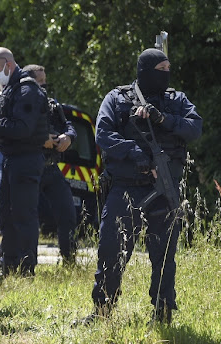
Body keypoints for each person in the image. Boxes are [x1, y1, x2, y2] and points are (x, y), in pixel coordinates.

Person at [79, 48, 202, 325]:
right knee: (111, 249)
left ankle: (162, 314)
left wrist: (163, 119)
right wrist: (137, 156)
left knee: (164, 256)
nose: (166, 74)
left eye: (168, 68)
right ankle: (103, 312)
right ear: (145, 70)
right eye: (161, 69)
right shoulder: (117, 98)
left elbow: (194, 128)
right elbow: (104, 134)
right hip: (126, 187)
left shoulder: (176, 100)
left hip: (164, 190)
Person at [0, 47, 50, 277]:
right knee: (7, 214)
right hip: (12, 159)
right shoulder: (12, 89)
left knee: (23, 215)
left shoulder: (27, 90)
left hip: (26, 159)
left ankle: (27, 269)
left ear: (8, 64)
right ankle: (8, 265)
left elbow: (23, 128)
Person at [23, 64, 78, 264]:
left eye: (45, 82)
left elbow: (69, 126)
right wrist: (42, 139)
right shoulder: (22, 104)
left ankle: (69, 259)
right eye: (40, 82)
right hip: (30, 167)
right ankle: (25, 263)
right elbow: (16, 134)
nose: (43, 87)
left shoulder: (51, 105)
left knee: (67, 213)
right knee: (26, 219)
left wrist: (68, 137)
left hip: (51, 168)